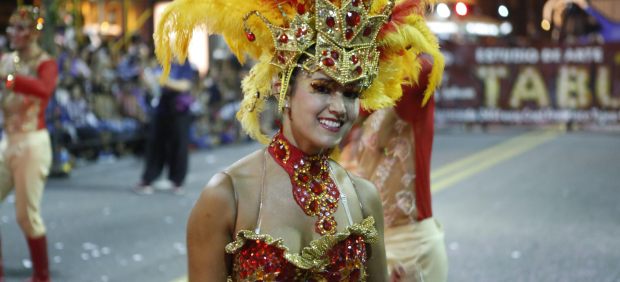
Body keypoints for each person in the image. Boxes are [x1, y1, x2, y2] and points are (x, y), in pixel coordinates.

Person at [154, 0, 444, 280]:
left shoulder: (363, 198)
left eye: (351, 93)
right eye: (322, 87)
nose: (339, 107)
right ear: (284, 89)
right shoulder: (228, 196)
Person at [340, 54, 447, 282]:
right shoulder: (339, 115)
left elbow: (426, 66)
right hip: (364, 250)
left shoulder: (403, 98)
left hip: (408, 249)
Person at [0, 6, 58, 282]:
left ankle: (41, 276)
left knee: (26, 216)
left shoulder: (45, 63)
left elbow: (44, 89)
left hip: (33, 142)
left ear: (33, 33)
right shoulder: (7, 60)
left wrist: (10, 80)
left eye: (20, 28)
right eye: (12, 27)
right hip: (7, 140)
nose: (13, 33)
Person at [134, 60, 196, 195]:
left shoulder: (185, 65)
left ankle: (177, 180)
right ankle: (148, 178)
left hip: (179, 110)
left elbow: (184, 85)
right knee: (155, 143)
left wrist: (164, 81)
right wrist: (147, 80)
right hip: (162, 109)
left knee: (179, 145)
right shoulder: (161, 63)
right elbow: (153, 86)